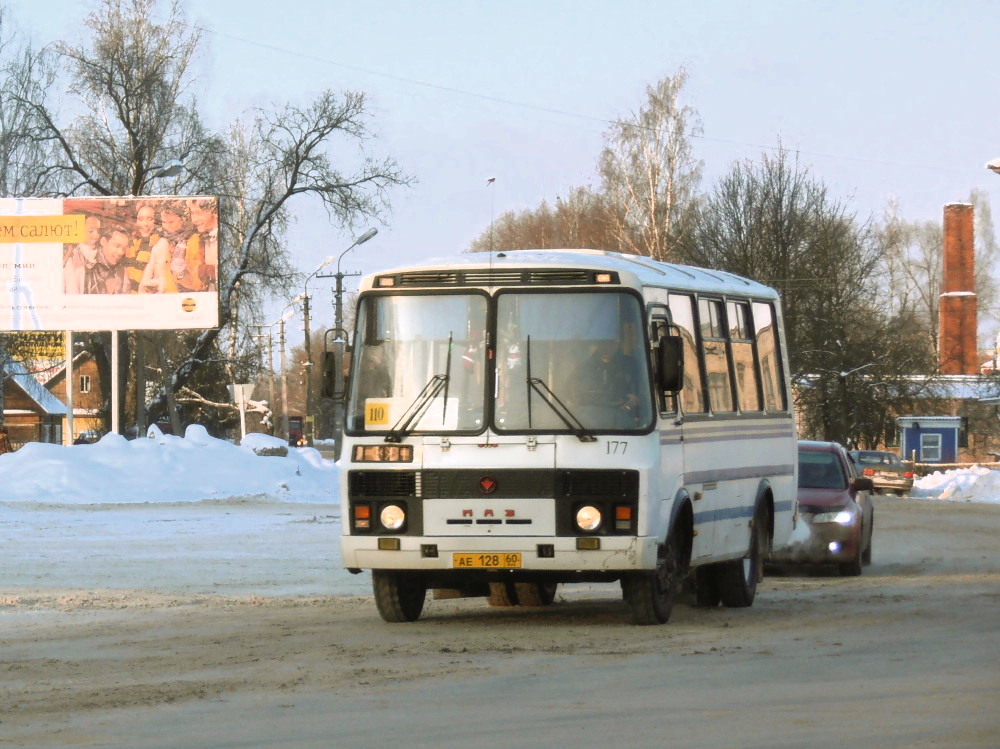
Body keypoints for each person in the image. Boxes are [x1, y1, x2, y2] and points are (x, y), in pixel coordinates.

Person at [124, 203, 159, 293]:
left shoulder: (159, 244)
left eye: (150, 219)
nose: (145, 224)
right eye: (140, 219)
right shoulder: (131, 242)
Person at [63, 214, 102, 294]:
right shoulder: (73, 258)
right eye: (91, 231)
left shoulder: (101, 254)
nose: (96, 235)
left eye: (98, 231)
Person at [85, 227, 131, 294]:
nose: (121, 252)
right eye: (117, 246)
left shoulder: (122, 271)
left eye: (124, 248)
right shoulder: (87, 266)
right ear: (103, 241)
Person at [188, 198, 218, 291]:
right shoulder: (196, 241)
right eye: (192, 213)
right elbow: (195, 284)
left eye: (198, 213)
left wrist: (211, 270)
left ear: (215, 212)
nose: (194, 220)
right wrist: (181, 273)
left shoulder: (227, 237)